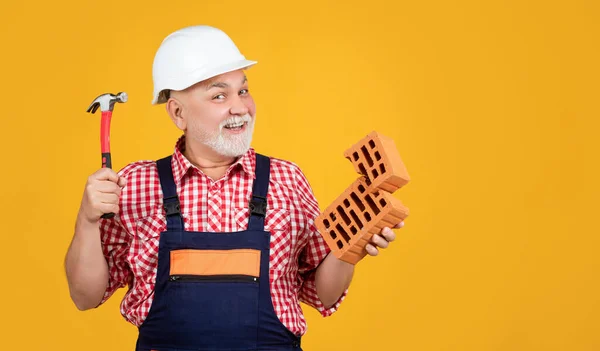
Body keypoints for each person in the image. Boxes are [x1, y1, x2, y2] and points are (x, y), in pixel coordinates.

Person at [64, 25, 404, 351]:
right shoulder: (134, 185)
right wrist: (87, 218)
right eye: (218, 95)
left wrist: (353, 244)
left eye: (242, 90)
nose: (240, 107)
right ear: (178, 112)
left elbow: (321, 294)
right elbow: (85, 297)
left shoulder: (286, 180)